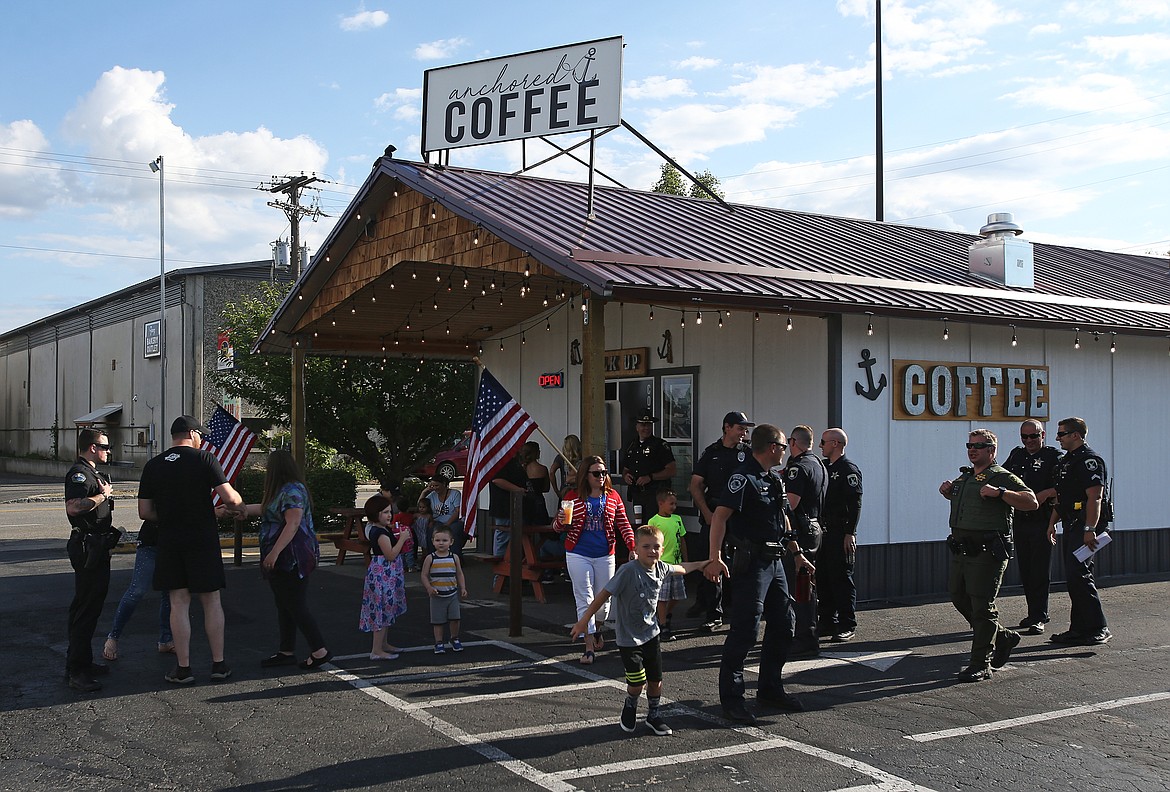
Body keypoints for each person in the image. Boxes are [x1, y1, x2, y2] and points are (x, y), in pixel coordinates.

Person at [705, 425, 812, 723]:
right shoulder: (744, 478)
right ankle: (732, 699)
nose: (784, 449)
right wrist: (713, 558)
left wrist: (797, 554)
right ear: (770, 447)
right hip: (750, 564)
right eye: (781, 444)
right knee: (745, 630)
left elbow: (783, 523)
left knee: (784, 624)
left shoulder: (774, 481)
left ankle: (770, 688)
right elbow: (720, 519)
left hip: (776, 561)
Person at [570, 525, 709, 735]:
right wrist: (584, 621)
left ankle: (653, 715)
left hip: (651, 634)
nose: (652, 551)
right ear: (636, 548)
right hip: (628, 638)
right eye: (646, 546)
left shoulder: (661, 568)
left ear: (662, 550)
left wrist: (702, 564)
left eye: (656, 547)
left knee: (656, 680)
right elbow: (603, 594)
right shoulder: (627, 571)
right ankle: (631, 702)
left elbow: (681, 568)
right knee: (637, 683)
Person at [138, 416, 244, 685]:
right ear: (192, 434)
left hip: (170, 539)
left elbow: (145, 512)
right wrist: (239, 507)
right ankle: (218, 664)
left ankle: (183, 667)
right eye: (201, 435)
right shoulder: (204, 459)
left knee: (178, 602)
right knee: (211, 601)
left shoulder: (153, 465)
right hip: (202, 538)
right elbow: (230, 498)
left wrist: (170, 517)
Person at [938, 429, 1038, 682]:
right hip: (962, 550)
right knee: (958, 596)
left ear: (992, 450)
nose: (973, 450)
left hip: (987, 552)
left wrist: (1001, 493)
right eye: (970, 445)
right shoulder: (965, 478)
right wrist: (949, 492)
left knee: (982, 607)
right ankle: (1003, 636)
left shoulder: (1001, 477)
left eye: (980, 446)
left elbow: (1031, 501)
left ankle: (981, 663)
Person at [225, 449, 331, 670]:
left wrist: (274, 553)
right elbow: (267, 509)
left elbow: (293, 523)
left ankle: (319, 650)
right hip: (285, 557)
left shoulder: (292, 491)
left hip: (292, 557)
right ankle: (286, 651)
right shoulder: (284, 490)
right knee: (284, 604)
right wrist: (241, 510)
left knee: (295, 603)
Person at [556, 455, 637, 664]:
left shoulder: (613, 497)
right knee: (585, 597)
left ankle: (597, 628)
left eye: (603, 473)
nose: (601, 476)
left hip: (605, 554)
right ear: (586, 475)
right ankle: (589, 646)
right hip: (578, 553)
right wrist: (561, 521)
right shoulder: (572, 497)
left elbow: (624, 524)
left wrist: (632, 546)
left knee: (604, 600)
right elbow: (558, 528)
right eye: (596, 473)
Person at [1049, 417, 1113, 646]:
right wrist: (1052, 524)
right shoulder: (1067, 462)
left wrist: (1090, 529)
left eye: (1062, 434)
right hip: (1072, 524)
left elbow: (1095, 497)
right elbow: (1061, 497)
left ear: (1075, 435)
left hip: (1085, 526)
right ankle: (1078, 628)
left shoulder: (1089, 461)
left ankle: (1099, 627)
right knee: (1074, 577)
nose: (1058, 438)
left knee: (1080, 575)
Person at [688, 411, 754, 632]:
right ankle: (712, 613)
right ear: (727, 427)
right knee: (712, 562)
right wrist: (707, 512)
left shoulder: (748, 452)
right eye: (740, 428)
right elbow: (695, 485)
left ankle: (735, 608)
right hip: (714, 513)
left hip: (740, 517)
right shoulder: (711, 453)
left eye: (746, 429)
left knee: (741, 564)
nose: (744, 432)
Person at [64, 428, 118, 692]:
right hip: (87, 547)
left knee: (90, 606)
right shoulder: (79, 473)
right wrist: (101, 496)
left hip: (97, 545)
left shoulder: (92, 472)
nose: (109, 451)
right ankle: (77, 671)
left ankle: (81, 660)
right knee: (85, 609)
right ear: (92, 447)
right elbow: (73, 506)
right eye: (105, 447)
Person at [1003, 419, 1060, 634]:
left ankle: (1039, 616)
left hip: (1042, 521)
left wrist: (1045, 494)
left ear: (1042, 435)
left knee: (1039, 570)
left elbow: (1066, 485)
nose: (1029, 441)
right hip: (1019, 520)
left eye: (1033, 436)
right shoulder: (1017, 455)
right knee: (1026, 570)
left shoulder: (1053, 457)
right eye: (1024, 437)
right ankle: (1032, 612)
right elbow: (1003, 477)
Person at [102, 520, 174, 663]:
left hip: (173, 541)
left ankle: (166, 639)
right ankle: (113, 637)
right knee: (137, 590)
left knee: (171, 593)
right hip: (152, 541)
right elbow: (144, 512)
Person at [784, 424, 827, 659]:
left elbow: (789, 503)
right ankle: (806, 633)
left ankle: (805, 637)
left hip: (800, 530)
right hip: (814, 526)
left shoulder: (798, 468)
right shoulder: (818, 464)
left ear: (793, 442)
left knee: (800, 585)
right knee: (806, 583)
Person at [817, 428, 863, 643]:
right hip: (823, 532)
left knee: (841, 579)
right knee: (823, 578)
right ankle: (827, 621)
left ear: (835, 443)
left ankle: (847, 624)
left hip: (839, 532)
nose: (820, 446)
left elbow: (855, 503)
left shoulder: (848, 469)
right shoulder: (824, 467)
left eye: (824, 442)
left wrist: (849, 533)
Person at [360, 494, 411, 660]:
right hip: (383, 573)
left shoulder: (382, 530)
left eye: (390, 511)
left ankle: (384, 644)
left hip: (386, 573)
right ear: (375, 514)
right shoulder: (380, 533)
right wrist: (402, 539)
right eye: (384, 512)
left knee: (387, 608)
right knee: (381, 609)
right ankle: (376, 650)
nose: (389, 515)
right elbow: (390, 554)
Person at [621, 413, 677, 525]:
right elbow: (626, 469)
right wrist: (625, 476)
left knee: (653, 527)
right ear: (637, 427)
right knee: (640, 526)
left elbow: (672, 470)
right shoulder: (631, 445)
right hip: (637, 494)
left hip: (655, 495)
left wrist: (650, 477)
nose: (646, 428)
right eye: (643, 425)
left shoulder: (660, 445)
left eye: (648, 425)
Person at [421, 526, 468, 654]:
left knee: (455, 618)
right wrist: (429, 588)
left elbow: (459, 573)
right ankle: (438, 642)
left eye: (444, 540)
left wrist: (463, 587)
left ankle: (454, 638)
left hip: (452, 594)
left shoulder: (454, 557)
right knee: (438, 621)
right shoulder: (430, 558)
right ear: (433, 541)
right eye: (438, 540)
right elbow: (424, 575)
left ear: (451, 542)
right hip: (436, 596)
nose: (441, 543)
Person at [649, 490, 687, 641]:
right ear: (661, 503)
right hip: (661, 564)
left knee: (678, 595)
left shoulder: (677, 519)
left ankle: (663, 614)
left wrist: (686, 558)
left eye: (675, 504)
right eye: (671, 503)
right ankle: (663, 624)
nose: (674, 507)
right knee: (663, 597)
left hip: (676, 564)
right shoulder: (654, 521)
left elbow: (682, 539)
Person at [488, 452, 527, 557]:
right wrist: (518, 490)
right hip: (503, 506)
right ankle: (500, 568)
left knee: (515, 539)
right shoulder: (500, 461)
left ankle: (511, 567)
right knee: (503, 537)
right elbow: (497, 480)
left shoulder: (515, 461)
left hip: (517, 507)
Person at [418, 474, 464, 556]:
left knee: (454, 531)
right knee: (432, 531)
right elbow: (421, 504)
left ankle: (455, 557)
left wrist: (447, 524)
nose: (435, 488)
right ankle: (432, 557)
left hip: (453, 521)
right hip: (437, 521)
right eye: (433, 486)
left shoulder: (455, 494)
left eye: (437, 485)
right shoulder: (432, 495)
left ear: (444, 484)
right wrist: (424, 492)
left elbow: (457, 511)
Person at [521, 440, 552, 526]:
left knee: (525, 531)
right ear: (536, 452)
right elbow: (546, 488)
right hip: (538, 501)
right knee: (543, 529)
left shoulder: (521, 469)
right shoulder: (543, 469)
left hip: (525, 502)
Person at [550, 434, 582, 499]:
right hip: (578, 491)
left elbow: (551, 472)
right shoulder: (581, 458)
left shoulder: (561, 457)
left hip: (564, 491)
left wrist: (557, 491)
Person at [392, 496, 418, 572]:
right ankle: (411, 566)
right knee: (409, 551)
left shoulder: (396, 516)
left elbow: (393, 526)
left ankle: (403, 566)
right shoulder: (410, 516)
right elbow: (412, 523)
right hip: (409, 535)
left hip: (399, 536)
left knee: (401, 551)